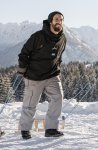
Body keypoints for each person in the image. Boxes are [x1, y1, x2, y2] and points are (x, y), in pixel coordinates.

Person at [17, 11, 67, 139]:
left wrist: (57, 68)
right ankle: (25, 130)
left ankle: (51, 129)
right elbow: (24, 53)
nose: (58, 21)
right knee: (30, 104)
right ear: (50, 21)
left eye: (61, 19)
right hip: (34, 76)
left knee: (58, 98)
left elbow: (59, 56)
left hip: (52, 75)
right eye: (56, 19)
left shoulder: (63, 38)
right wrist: (22, 69)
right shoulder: (38, 36)